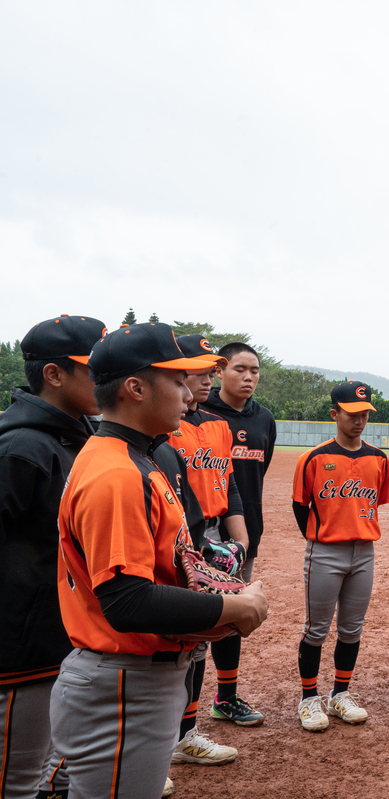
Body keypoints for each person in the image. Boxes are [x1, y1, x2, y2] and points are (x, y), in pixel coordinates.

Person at [52, 322, 268, 799]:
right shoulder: (117, 473)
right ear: (134, 388)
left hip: (131, 680)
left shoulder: (135, 457)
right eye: (177, 381)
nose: (190, 396)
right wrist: (234, 609)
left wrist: (213, 576)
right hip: (124, 684)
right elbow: (127, 602)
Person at [0, 315, 106, 799]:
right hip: (22, 648)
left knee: (52, 774)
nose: (103, 377)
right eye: (93, 367)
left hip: (63, 639)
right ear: (54, 374)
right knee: (16, 783)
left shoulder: (81, 438)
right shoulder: (21, 448)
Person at [168, 335, 249, 768]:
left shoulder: (217, 425)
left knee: (200, 638)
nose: (206, 377)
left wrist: (240, 539)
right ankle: (162, 741)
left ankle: (186, 732)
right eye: (197, 370)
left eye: (209, 369)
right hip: (182, 538)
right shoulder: (165, 425)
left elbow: (230, 484)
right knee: (172, 637)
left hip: (214, 535)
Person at [291, 381, 389, 731]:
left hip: (364, 552)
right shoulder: (314, 458)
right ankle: (308, 698)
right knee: (316, 629)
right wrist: (322, 536)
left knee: (351, 628)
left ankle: (340, 694)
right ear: (335, 414)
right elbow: (300, 506)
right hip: (325, 551)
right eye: (352, 414)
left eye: (364, 414)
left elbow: (373, 502)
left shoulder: (378, 458)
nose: (359, 420)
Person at [200, 342, 276, 727]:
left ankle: (225, 698)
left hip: (245, 533)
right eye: (240, 369)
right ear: (219, 371)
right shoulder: (198, 412)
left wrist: (246, 538)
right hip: (204, 535)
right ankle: (179, 718)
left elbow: (256, 476)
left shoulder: (264, 419)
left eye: (255, 371)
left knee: (231, 618)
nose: (249, 377)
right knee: (195, 618)